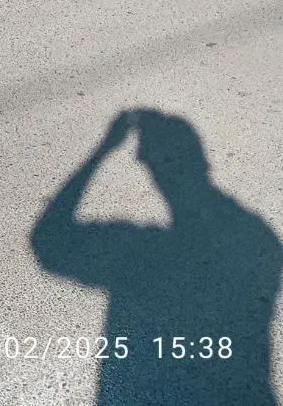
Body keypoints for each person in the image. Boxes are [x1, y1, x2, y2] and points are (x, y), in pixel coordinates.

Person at [31, 109, 281, 404]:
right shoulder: (258, 236)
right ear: (201, 161)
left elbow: (48, 242)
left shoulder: (143, 247)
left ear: (147, 162)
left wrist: (100, 153)